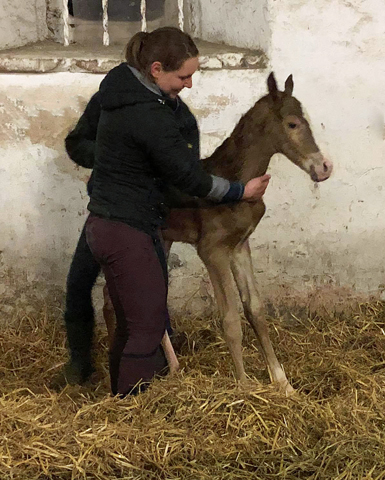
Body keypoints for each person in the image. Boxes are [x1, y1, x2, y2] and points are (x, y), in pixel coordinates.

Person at [64, 26, 270, 396]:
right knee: (120, 307)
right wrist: (239, 191)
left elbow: (183, 169)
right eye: (184, 76)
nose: (189, 85)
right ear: (156, 69)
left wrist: (121, 165)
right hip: (124, 215)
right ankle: (107, 384)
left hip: (133, 211)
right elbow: (189, 177)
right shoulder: (138, 110)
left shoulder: (169, 112)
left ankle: (141, 381)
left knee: (143, 305)